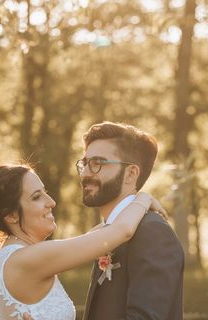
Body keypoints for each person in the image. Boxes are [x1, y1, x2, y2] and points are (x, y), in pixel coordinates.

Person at [0, 163, 166, 320]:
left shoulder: (17, 254)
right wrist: (143, 199)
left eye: (45, 192)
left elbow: (98, 235)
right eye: (36, 197)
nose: (51, 202)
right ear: (11, 215)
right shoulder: (28, 258)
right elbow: (120, 231)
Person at [78, 121, 185, 320]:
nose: (85, 173)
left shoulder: (153, 232)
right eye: (84, 163)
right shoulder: (104, 233)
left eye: (97, 163)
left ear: (130, 174)